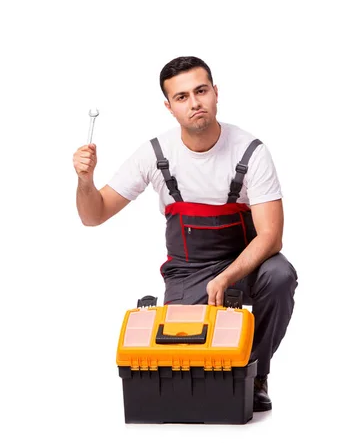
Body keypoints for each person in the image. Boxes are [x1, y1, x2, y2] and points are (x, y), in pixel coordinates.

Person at [73, 56, 298, 412]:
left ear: (215, 93)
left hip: (245, 267)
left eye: (201, 90)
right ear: (169, 107)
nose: (194, 103)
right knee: (186, 356)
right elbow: (93, 215)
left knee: (280, 274)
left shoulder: (251, 151)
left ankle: (254, 375)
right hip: (187, 271)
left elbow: (271, 236)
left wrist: (226, 277)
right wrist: (85, 182)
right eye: (182, 97)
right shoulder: (156, 154)